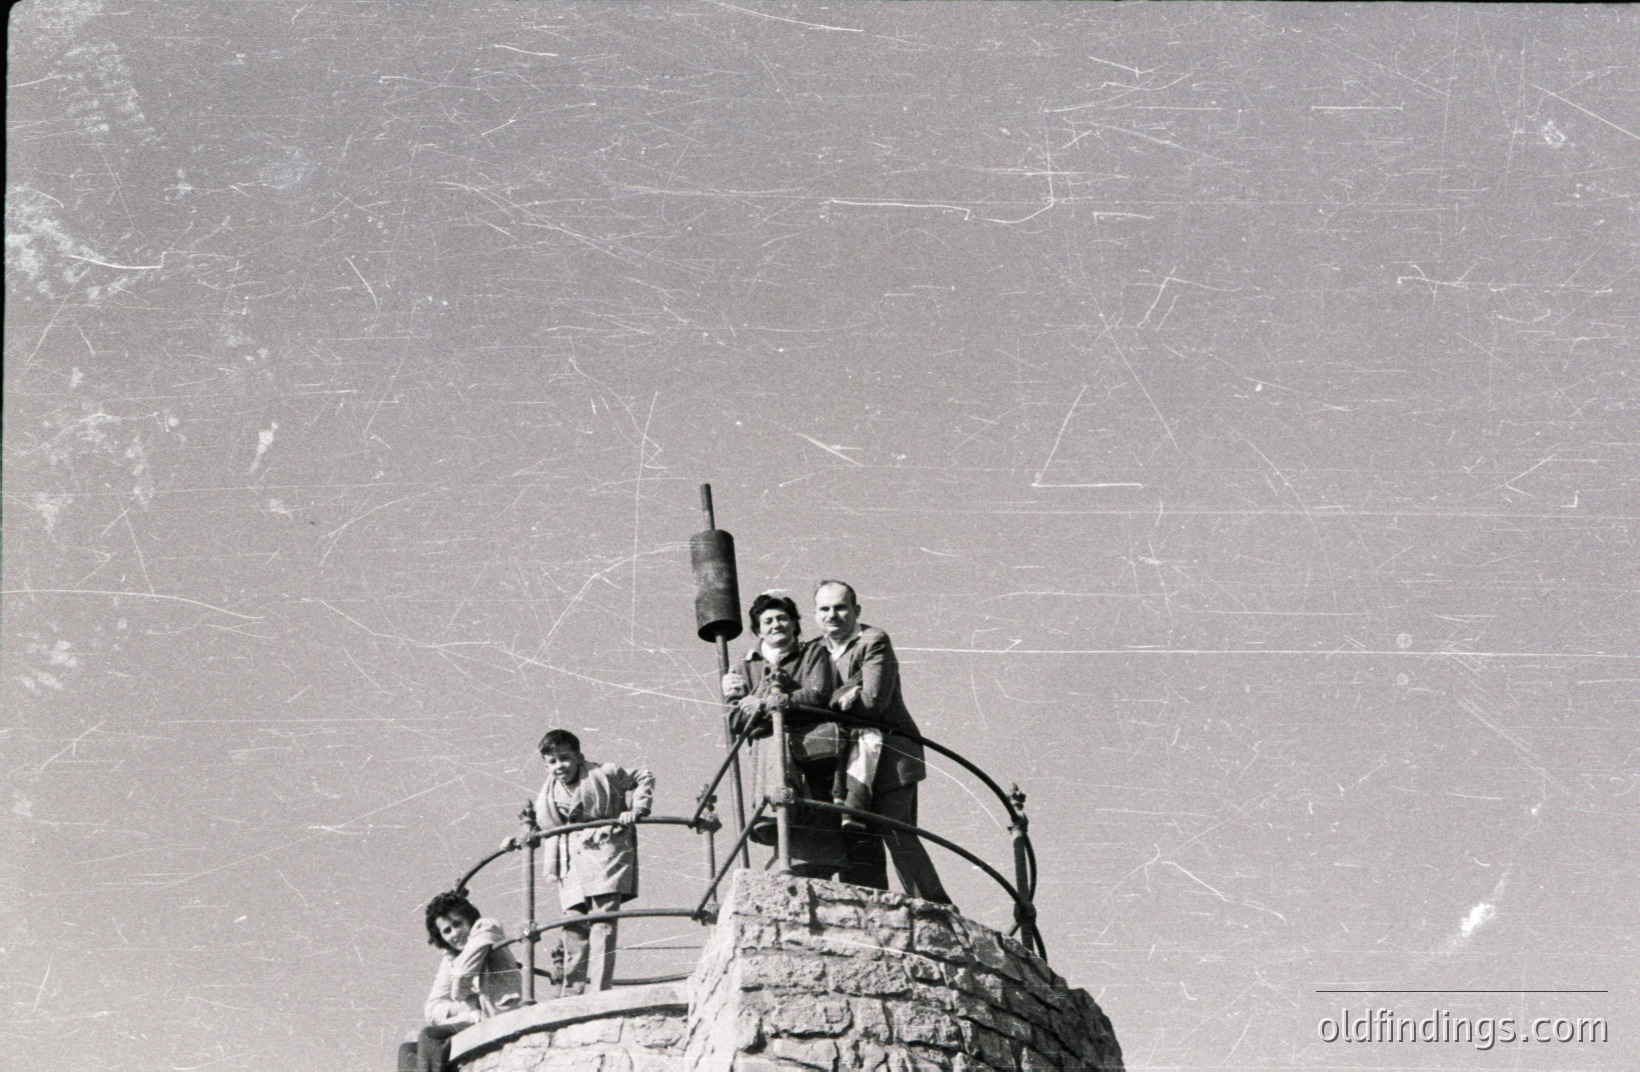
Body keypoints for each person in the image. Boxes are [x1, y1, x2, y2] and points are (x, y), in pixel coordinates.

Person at [813, 579, 952, 905]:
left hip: (890, 753)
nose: (832, 615)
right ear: (815, 615)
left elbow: (873, 701)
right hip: (845, 759)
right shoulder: (813, 651)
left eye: (840, 607)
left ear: (856, 610)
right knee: (856, 838)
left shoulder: (873, 640)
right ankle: (870, 912)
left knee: (897, 831)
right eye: (824, 609)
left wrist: (827, 702)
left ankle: (935, 909)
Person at [722, 591, 846, 878]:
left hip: (811, 751)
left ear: (794, 624)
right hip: (770, 754)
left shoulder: (813, 653)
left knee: (817, 829)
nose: (776, 625)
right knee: (784, 804)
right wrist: (764, 705)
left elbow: (817, 694)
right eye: (768, 621)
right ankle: (783, 853)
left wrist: (765, 703)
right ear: (758, 630)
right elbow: (737, 720)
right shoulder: (744, 666)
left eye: (782, 618)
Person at [532, 729, 654, 994]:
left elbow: (643, 776)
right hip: (570, 861)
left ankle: (600, 990)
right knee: (573, 927)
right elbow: (539, 822)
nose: (559, 766)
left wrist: (636, 809)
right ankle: (572, 993)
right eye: (552, 762)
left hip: (605, 852)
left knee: (602, 924)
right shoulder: (549, 793)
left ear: (579, 757)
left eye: (564, 758)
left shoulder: (605, 772)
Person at [416, 890, 522, 1072]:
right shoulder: (450, 957)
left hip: (496, 1015)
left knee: (429, 1036)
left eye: (458, 924)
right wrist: (465, 1007)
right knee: (409, 1048)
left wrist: (459, 996)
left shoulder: (486, 928)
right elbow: (431, 1008)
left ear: (469, 919)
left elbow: (463, 976)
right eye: (447, 931)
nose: (455, 934)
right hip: (473, 1019)